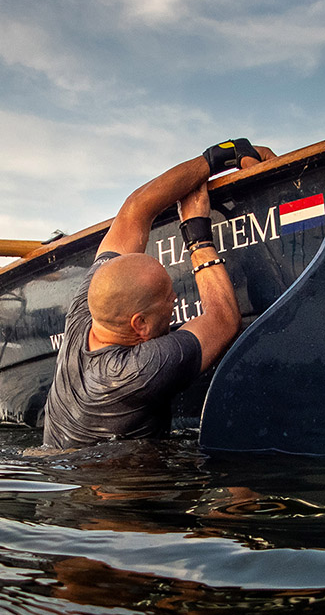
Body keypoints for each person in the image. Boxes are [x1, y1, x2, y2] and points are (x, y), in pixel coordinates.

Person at [42, 138, 275, 449]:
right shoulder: (138, 369)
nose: (175, 298)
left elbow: (134, 210)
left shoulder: (84, 314)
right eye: (168, 298)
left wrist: (220, 156)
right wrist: (196, 233)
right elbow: (223, 319)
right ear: (140, 324)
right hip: (120, 478)